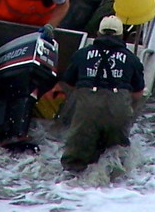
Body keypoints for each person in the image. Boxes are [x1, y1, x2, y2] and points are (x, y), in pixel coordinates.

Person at [60, 15, 145, 172]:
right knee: (116, 160)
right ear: (121, 36)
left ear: (98, 33)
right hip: (118, 110)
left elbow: (68, 84)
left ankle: (69, 190)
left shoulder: (82, 54)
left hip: (87, 110)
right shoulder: (132, 59)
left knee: (74, 163)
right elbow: (138, 93)